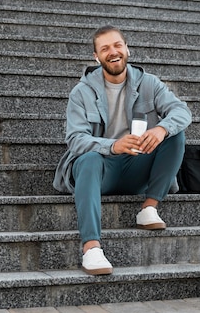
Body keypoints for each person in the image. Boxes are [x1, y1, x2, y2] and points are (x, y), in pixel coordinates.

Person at [53, 25, 192, 275]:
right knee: (88, 159)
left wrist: (160, 129)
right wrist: (113, 145)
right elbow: (75, 140)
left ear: (127, 49)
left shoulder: (149, 83)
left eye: (117, 45)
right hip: (99, 171)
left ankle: (148, 208)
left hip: (134, 167)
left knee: (174, 133)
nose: (113, 52)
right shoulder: (81, 92)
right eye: (104, 48)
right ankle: (92, 248)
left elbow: (182, 111)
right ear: (96, 57)